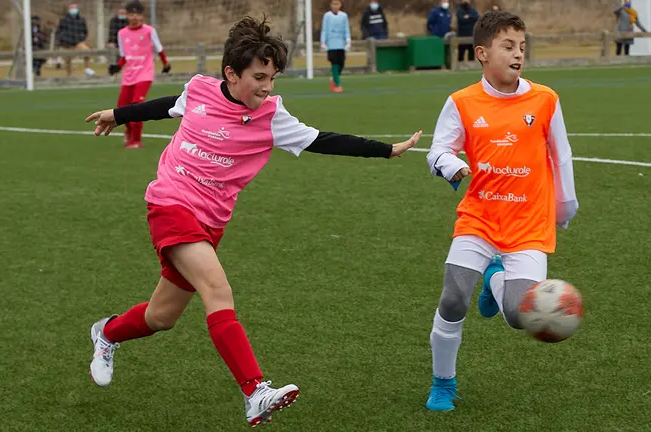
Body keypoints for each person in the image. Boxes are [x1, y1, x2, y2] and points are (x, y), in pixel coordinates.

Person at [84, 15, 422, 427]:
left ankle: (106, 333)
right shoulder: (200, 90)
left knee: (161, 317)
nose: (266, 86)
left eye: (273, 78)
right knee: (217, 288)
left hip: (211, 221)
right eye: (259, 76)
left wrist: (385, 150)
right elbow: (163, 106)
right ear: (231, 73)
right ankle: (255, 391)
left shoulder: (272, 116)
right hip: (170, 204)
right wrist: (118, 115)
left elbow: (323, 140)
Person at [423, 10, 578, 412]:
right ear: (482, 53)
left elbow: (561, 157)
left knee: (518, 314)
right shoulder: (462, 102)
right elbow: (438, 149)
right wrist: (451, 165)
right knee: (454, 297)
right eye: (508, 46)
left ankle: (495, 279)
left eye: (522, 47)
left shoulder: (545, 99)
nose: (517, 54)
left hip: (529, 223)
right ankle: (443, 383)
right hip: (479, 217)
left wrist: (565, 206)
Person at [108, 1, 171, 149]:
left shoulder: (149, 31)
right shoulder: (121, 33)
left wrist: (166, 64)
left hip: (145, 74)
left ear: (142, 16)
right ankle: (128, 132)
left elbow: (159, 49)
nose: (134, 17)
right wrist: (117, 66)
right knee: (122, 107)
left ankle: (136, 140)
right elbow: (124, 56)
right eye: (131, 14)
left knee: (137, 105)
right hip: (128, 75)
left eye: (137, 14)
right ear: (126, 15)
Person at [56, 3, 95, 76]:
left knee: (87, 51)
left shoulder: (81, 19)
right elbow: (59, 32)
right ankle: (69, 75)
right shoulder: (63, 20)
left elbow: (85, 31)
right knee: (68, 60)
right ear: (68, 10)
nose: (73, 10)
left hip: (78, 42)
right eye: (72, 8)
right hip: (67, 44)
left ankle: (87, 69)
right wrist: (63, 40)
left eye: (75, 8)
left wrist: (81, 38)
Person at [321, 0, 351, 93]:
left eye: (337, 4)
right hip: (331, 43)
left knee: (341, 64)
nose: (335, 6)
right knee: (334, 63)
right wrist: (323, 42)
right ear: (331, 5)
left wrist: (348, 40)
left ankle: (334, 78)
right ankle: (337, 85)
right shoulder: (327, 16)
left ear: (340, 5)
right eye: (333, 4)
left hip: (341, 43)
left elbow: (346, 28)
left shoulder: (344, 16)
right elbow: (324, 29)